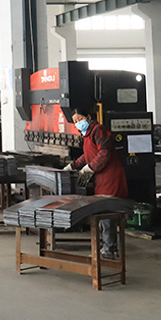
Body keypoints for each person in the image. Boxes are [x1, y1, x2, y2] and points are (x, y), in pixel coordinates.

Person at [65, 108, 128, 259]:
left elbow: (104, 153)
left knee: (106, 214)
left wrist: (90, 168)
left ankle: (109, 249)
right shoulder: (88, 134)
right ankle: (109, 247)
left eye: (80, 119)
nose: (78, 123)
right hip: (101, 178)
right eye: (75, 121)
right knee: (103, 214)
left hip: (110, 178)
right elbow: (88, 155)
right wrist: (73, 166)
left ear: (88, 117)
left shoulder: (99, 131)